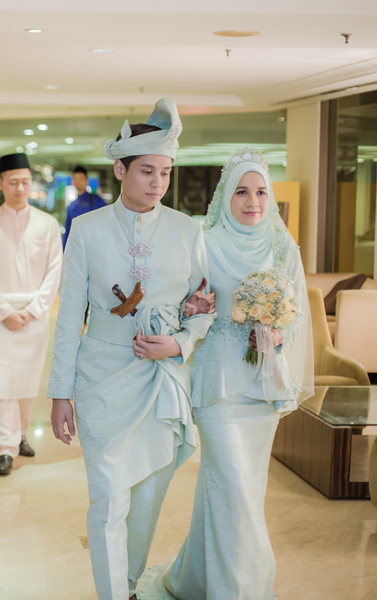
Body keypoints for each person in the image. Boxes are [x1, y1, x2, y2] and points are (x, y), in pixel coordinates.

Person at [47, 98, 216, 600]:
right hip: (101, 377)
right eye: (147, 171)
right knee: (107, 499)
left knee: (146, 500)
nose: (158, 182)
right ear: (120, 169)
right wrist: (60, 392)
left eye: (165, 172)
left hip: (162, 383)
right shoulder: (87, 230)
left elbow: (205, 305)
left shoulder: (188, 230)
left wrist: (180, 342)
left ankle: (127, 583)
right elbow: (69, 317)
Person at [135, 148, 315, 600]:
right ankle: (240, 590)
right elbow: (183, 301)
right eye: (241, 192)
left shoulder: (282, 247)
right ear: (225, 196)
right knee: (233, 487)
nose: (252, 201)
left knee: (240, 491)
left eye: (260, 192)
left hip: (262, 387)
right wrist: (191, 310)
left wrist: (278, 332)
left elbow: (296, 313)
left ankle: (197, 578)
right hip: (217, 386)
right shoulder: (204, 243)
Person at [0, 153, 63, 476]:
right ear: (0, 183)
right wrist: (6, 312)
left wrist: (35, 309)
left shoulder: (47, 224)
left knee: (27, 380)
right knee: (3, 382)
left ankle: (21, 434)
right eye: (13, 182)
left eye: (25, 181)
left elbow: (54, 271)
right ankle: (5, 448)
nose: (20, 188)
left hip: (35, 316)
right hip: (0, 316)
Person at [62, 165, 107, 248]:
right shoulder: (72, 205)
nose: (78, 181)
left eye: (81, 178)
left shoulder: (96, 200)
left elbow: (105, 224)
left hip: (94, 246)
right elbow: (67, 231)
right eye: (75, 179)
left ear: (87, 181)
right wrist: (64, 250)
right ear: (72, 181)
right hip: (76, 247)